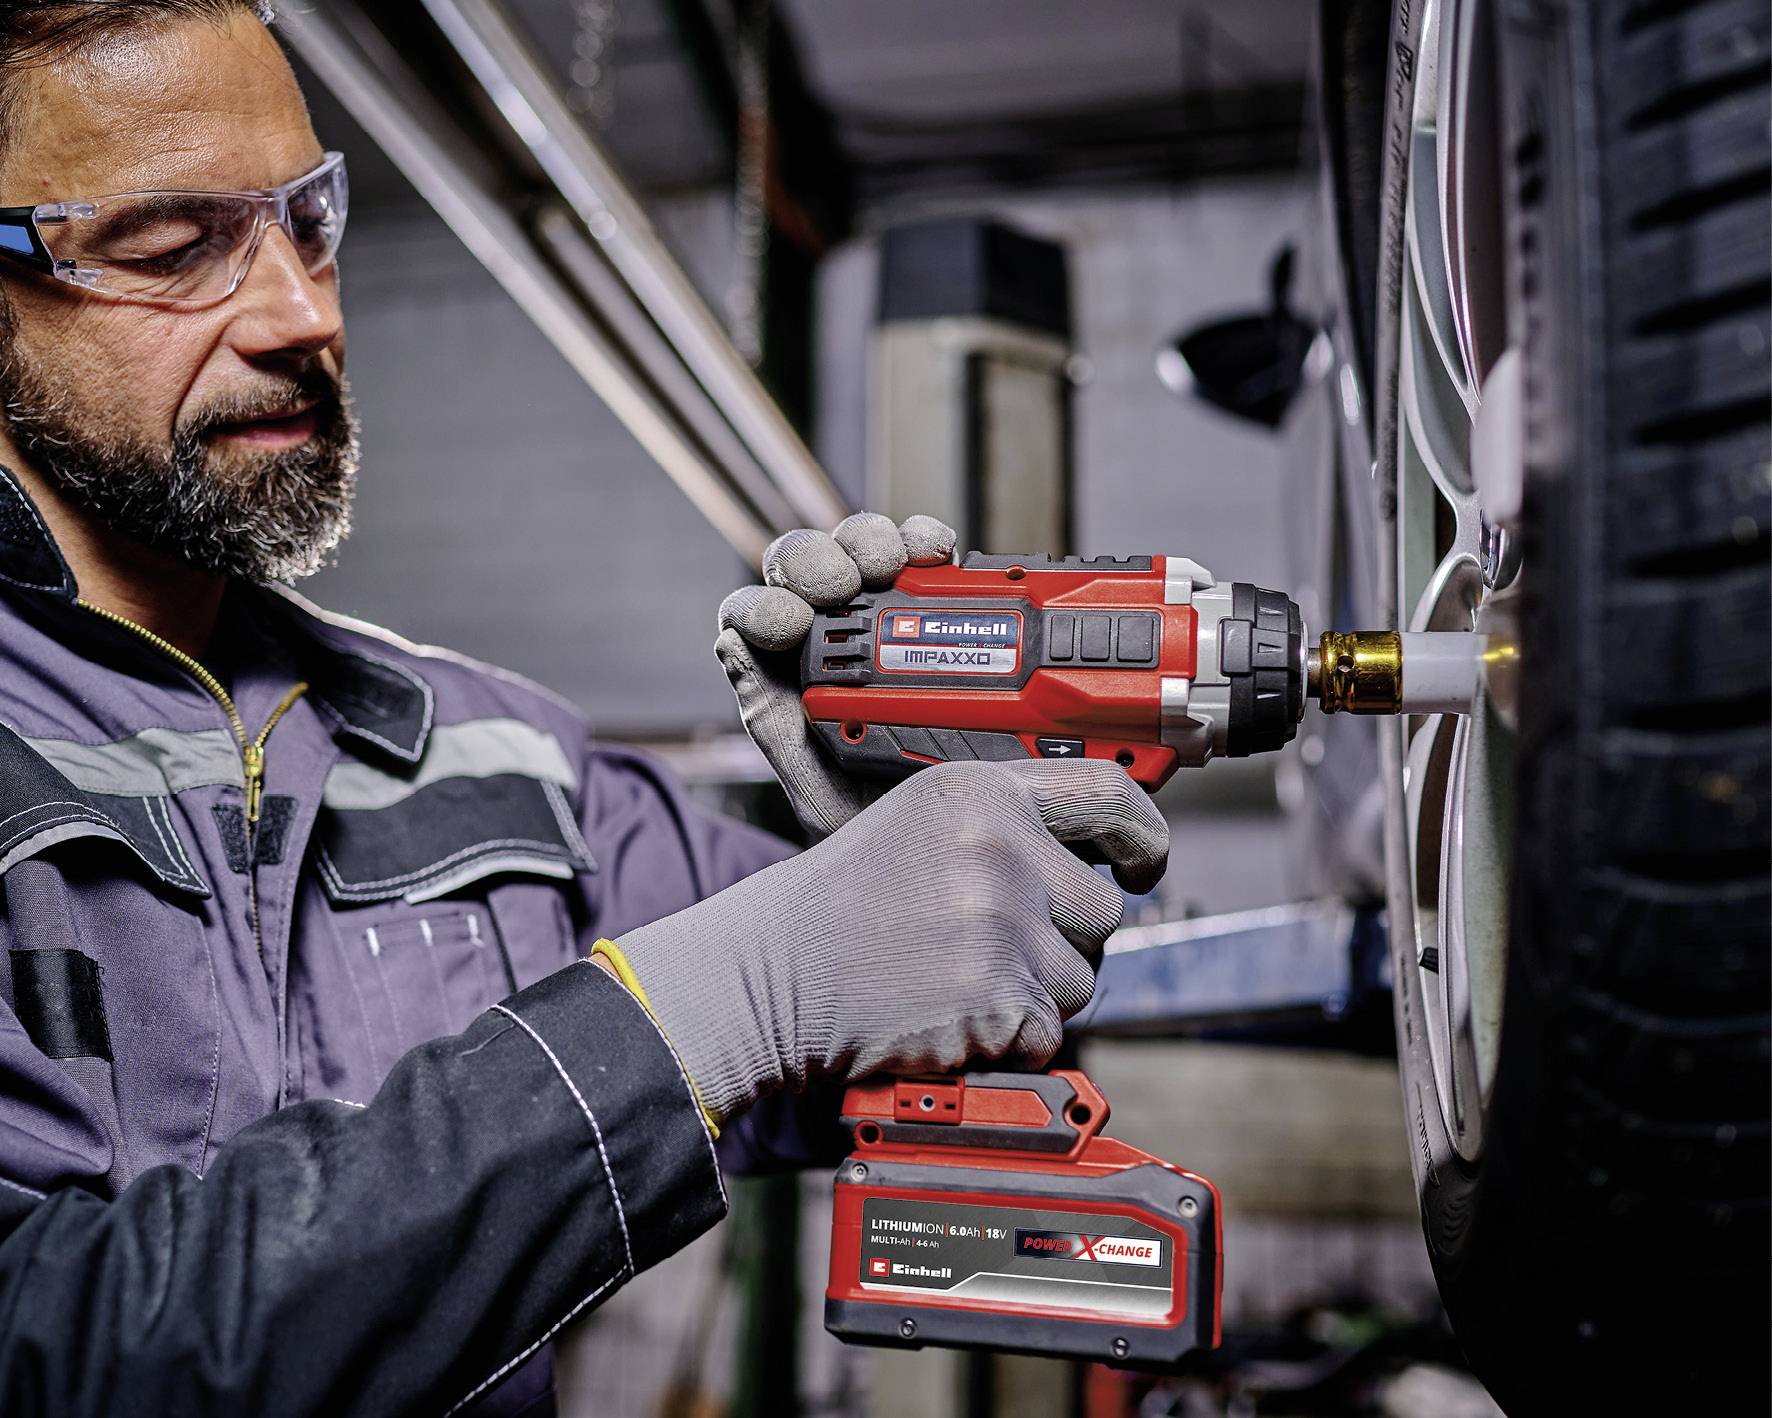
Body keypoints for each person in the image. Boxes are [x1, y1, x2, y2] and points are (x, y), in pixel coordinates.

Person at [0, 3, 1168, 1413]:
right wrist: (708, 1002)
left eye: (308, 221)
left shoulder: (501, 759)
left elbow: (1023, 1019)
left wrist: (945, 826)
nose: (303, 311)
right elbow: (58, 1345)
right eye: (173, 243)